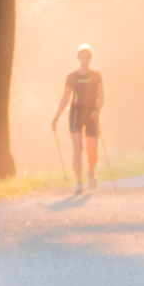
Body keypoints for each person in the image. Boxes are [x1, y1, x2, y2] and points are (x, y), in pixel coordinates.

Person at [52, 45, 105, 193]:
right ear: (78, 58)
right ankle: (79, 183)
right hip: (76, 112)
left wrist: (97, 110)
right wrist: (56, 117)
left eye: (87, 57)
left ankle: (91, 172)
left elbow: (101, 96)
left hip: (91, 113)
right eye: (82, 57)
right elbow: (65, 98)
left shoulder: (96, 75)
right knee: (78, 148)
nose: (85, 59)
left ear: (90, 59)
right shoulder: (72, 77)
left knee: (92, 150)